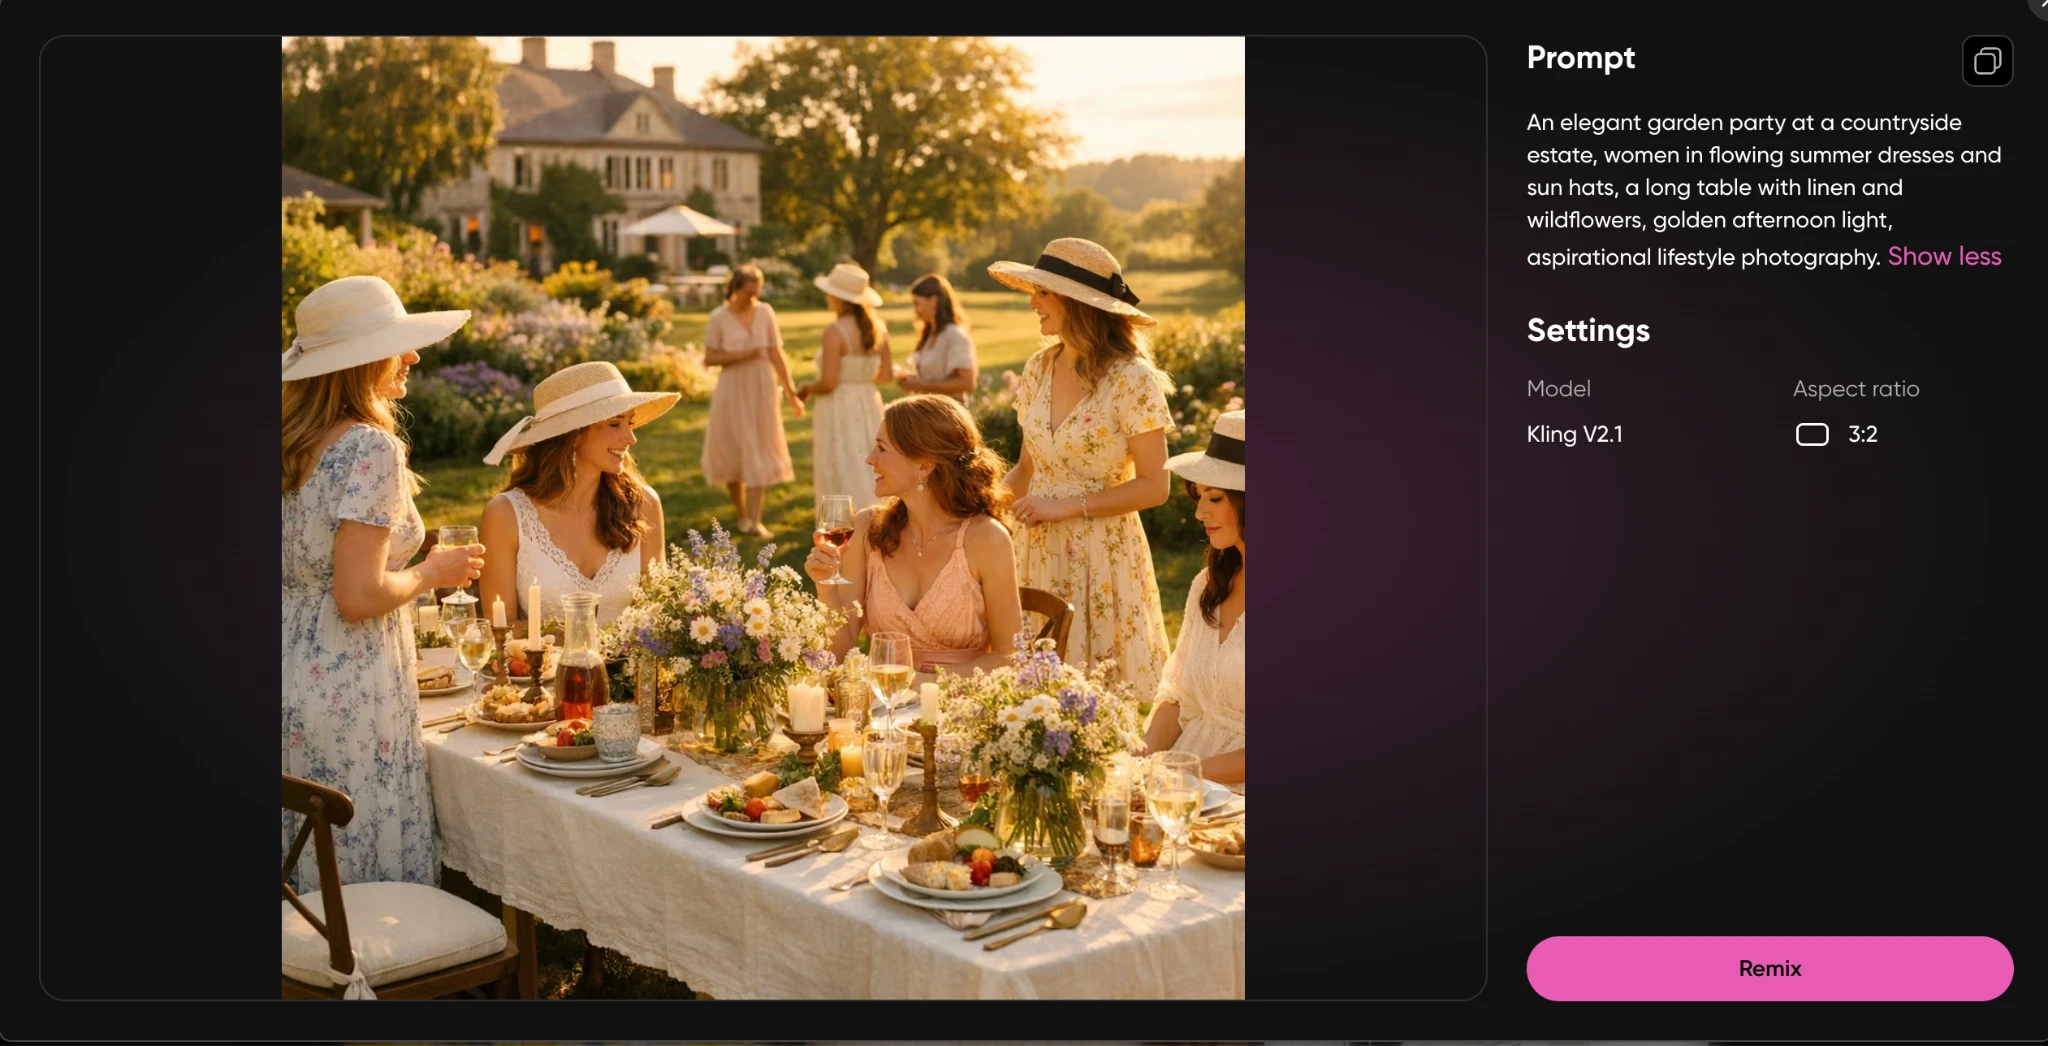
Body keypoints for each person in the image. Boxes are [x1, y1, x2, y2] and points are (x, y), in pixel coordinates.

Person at [282, 275, 481, 892]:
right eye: (400, 344)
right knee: (360, 849)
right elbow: (358, 595)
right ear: (364, 360)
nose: (414, 356)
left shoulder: (287, 440)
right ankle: (366, 970)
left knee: (301, 848)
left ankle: (303, 968)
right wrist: (431, 573)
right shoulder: (370, 448)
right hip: (350, 678)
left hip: (287, 661)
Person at [987, 237, 1174, 700]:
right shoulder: (1038, 367)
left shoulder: (1132, 379)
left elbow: (1155, 486)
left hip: (1102, 554)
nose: (1033, 302)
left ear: (1076, 302)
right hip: (1035, 549)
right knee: (1028, 697)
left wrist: (1066, 507)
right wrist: (982, 511)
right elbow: (1028, 468)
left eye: (1043, 292)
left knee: (1097, 701)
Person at [804, 394, 1024, 677]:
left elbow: (1009, 656)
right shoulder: (866, 529)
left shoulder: (986, 539)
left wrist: (921, 685)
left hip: (960, 707)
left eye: (882, 449)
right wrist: (826, 589)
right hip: (884, 705)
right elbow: (836, 654)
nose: (870, 459)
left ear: (923, 465)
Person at [479, 361, 679, 629]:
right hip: (542, 671)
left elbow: (658, 615)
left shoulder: (644, 505)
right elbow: (498, 629)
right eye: (615, 424)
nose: (631, 438)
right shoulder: (505, 516)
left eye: (629, 423)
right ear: (574, 436)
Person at [1141, 410, 1246, 785]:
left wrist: (1181, 775)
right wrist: (1143, 759)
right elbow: (1179, 695)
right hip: (1186, 775)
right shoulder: (1207, 585)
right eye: (1199, 497)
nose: (1200, 512)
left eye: (1214, 498)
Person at [701, 264, 801, 537]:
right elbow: (709, 358)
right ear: (734, 290)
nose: (753, 298)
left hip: (761, 389)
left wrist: (791, 394)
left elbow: (777, 354)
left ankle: (756, 519)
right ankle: (742, 514)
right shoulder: (718, 317)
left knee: (760, 447)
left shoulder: (765, 312)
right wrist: (743, 355)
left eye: (756, 292)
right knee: (735, 448)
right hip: (732, 388)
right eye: (748, 292)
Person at [796, 263, 891, 509]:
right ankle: (879, 515)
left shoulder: (835, 331)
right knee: (871, 460)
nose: (827, 297)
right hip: (869, 401)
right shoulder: (879, 329)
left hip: (839, 405)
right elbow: (885, 376)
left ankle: (846, 523)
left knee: (841, 461)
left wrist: (807, 386)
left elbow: (829, 383)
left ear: (839, 298)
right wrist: (861, 378)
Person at [894, 272, 977, 406]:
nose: (915, 310)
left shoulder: (954, 334)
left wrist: (923, 385)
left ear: (933, 300)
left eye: (917, 304)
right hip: (927, 410)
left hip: (947, 414)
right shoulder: (929, 334)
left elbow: (968, 383)